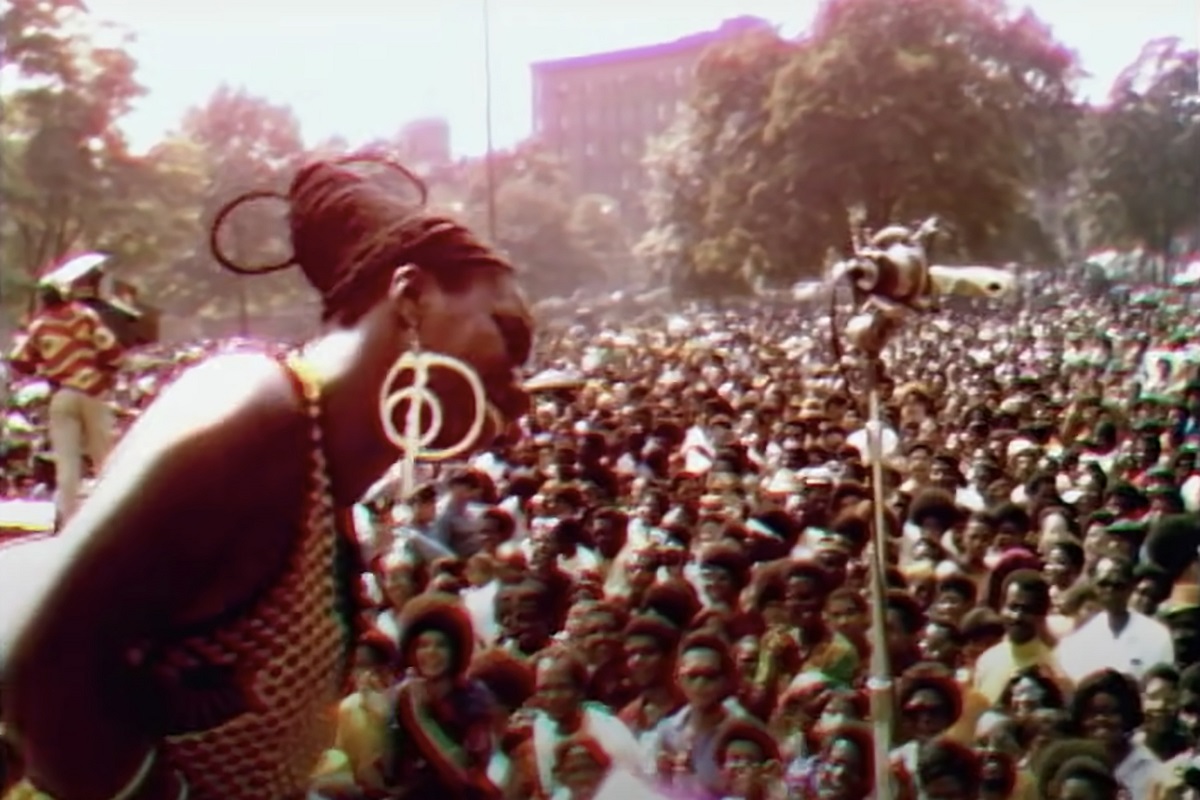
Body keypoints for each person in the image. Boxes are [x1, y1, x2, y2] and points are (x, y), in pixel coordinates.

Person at [0, 158, 534, 800]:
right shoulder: (255, 405)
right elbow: (34, 662)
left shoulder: (319, 483)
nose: (520, 390)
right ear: (412, 296)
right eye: (509, 335)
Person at [6, 274, 123, 527]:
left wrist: (45, 363)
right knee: (104, 457)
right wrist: (104, 368)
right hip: (94, 392)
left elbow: (19, 360)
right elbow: (113, 352)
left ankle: (69, 519)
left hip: (62, 394)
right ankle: (113, 515)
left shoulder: (40, 325)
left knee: (67, 463)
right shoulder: (85, 316)